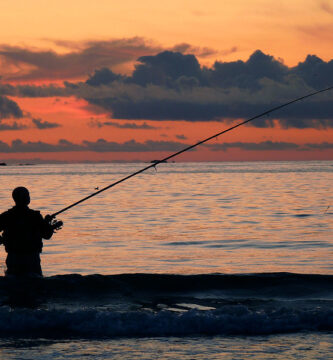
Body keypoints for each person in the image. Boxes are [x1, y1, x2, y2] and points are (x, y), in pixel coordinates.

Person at [0, 187, 62, 276]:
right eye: (27, 195)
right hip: (32, 258)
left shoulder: (6, 216)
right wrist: (47, 224)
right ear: (27, 198)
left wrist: (3, 240)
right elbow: (46, 235)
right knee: (35, 285)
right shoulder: (35, 216)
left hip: (13, 257)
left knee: (13, 285)